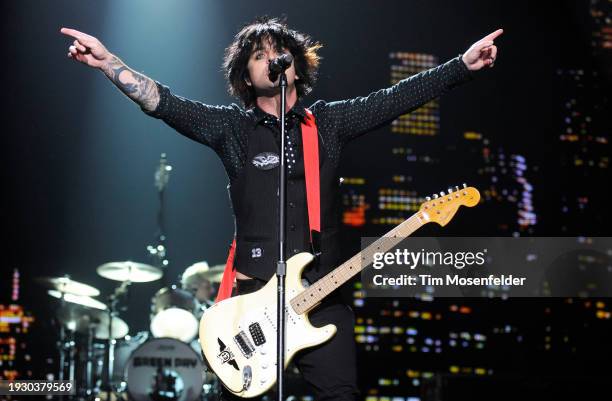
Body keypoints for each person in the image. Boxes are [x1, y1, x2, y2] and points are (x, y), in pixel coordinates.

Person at [61, 16, 502, 401]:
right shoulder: (232, 129)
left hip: (321, 296)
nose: (272, 56)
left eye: (280, 50)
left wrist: (460, 66)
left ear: (295, 63)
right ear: (246, 75)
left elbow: (394, 99)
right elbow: (164, 102)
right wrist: (108, 64)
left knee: (340, 393)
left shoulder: (328, 123)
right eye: (258, 54)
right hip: (251, 301)